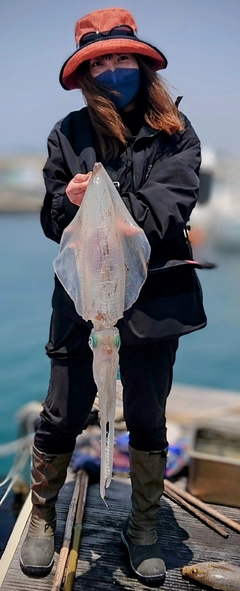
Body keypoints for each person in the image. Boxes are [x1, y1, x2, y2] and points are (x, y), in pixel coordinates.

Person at [20, 7, 207, 586]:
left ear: (143, 63)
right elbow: (53, 219)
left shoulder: (177, 132)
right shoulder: (68, 134)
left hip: (155, 294)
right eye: (99, 61)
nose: (112, 68)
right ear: (84, 73)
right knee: (63, 409)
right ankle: (44, 513)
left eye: (122, 57)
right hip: (85, 295)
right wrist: (72, 201)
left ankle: (144, 523)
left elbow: (171, 202)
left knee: (149, 415)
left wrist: (112, 211)